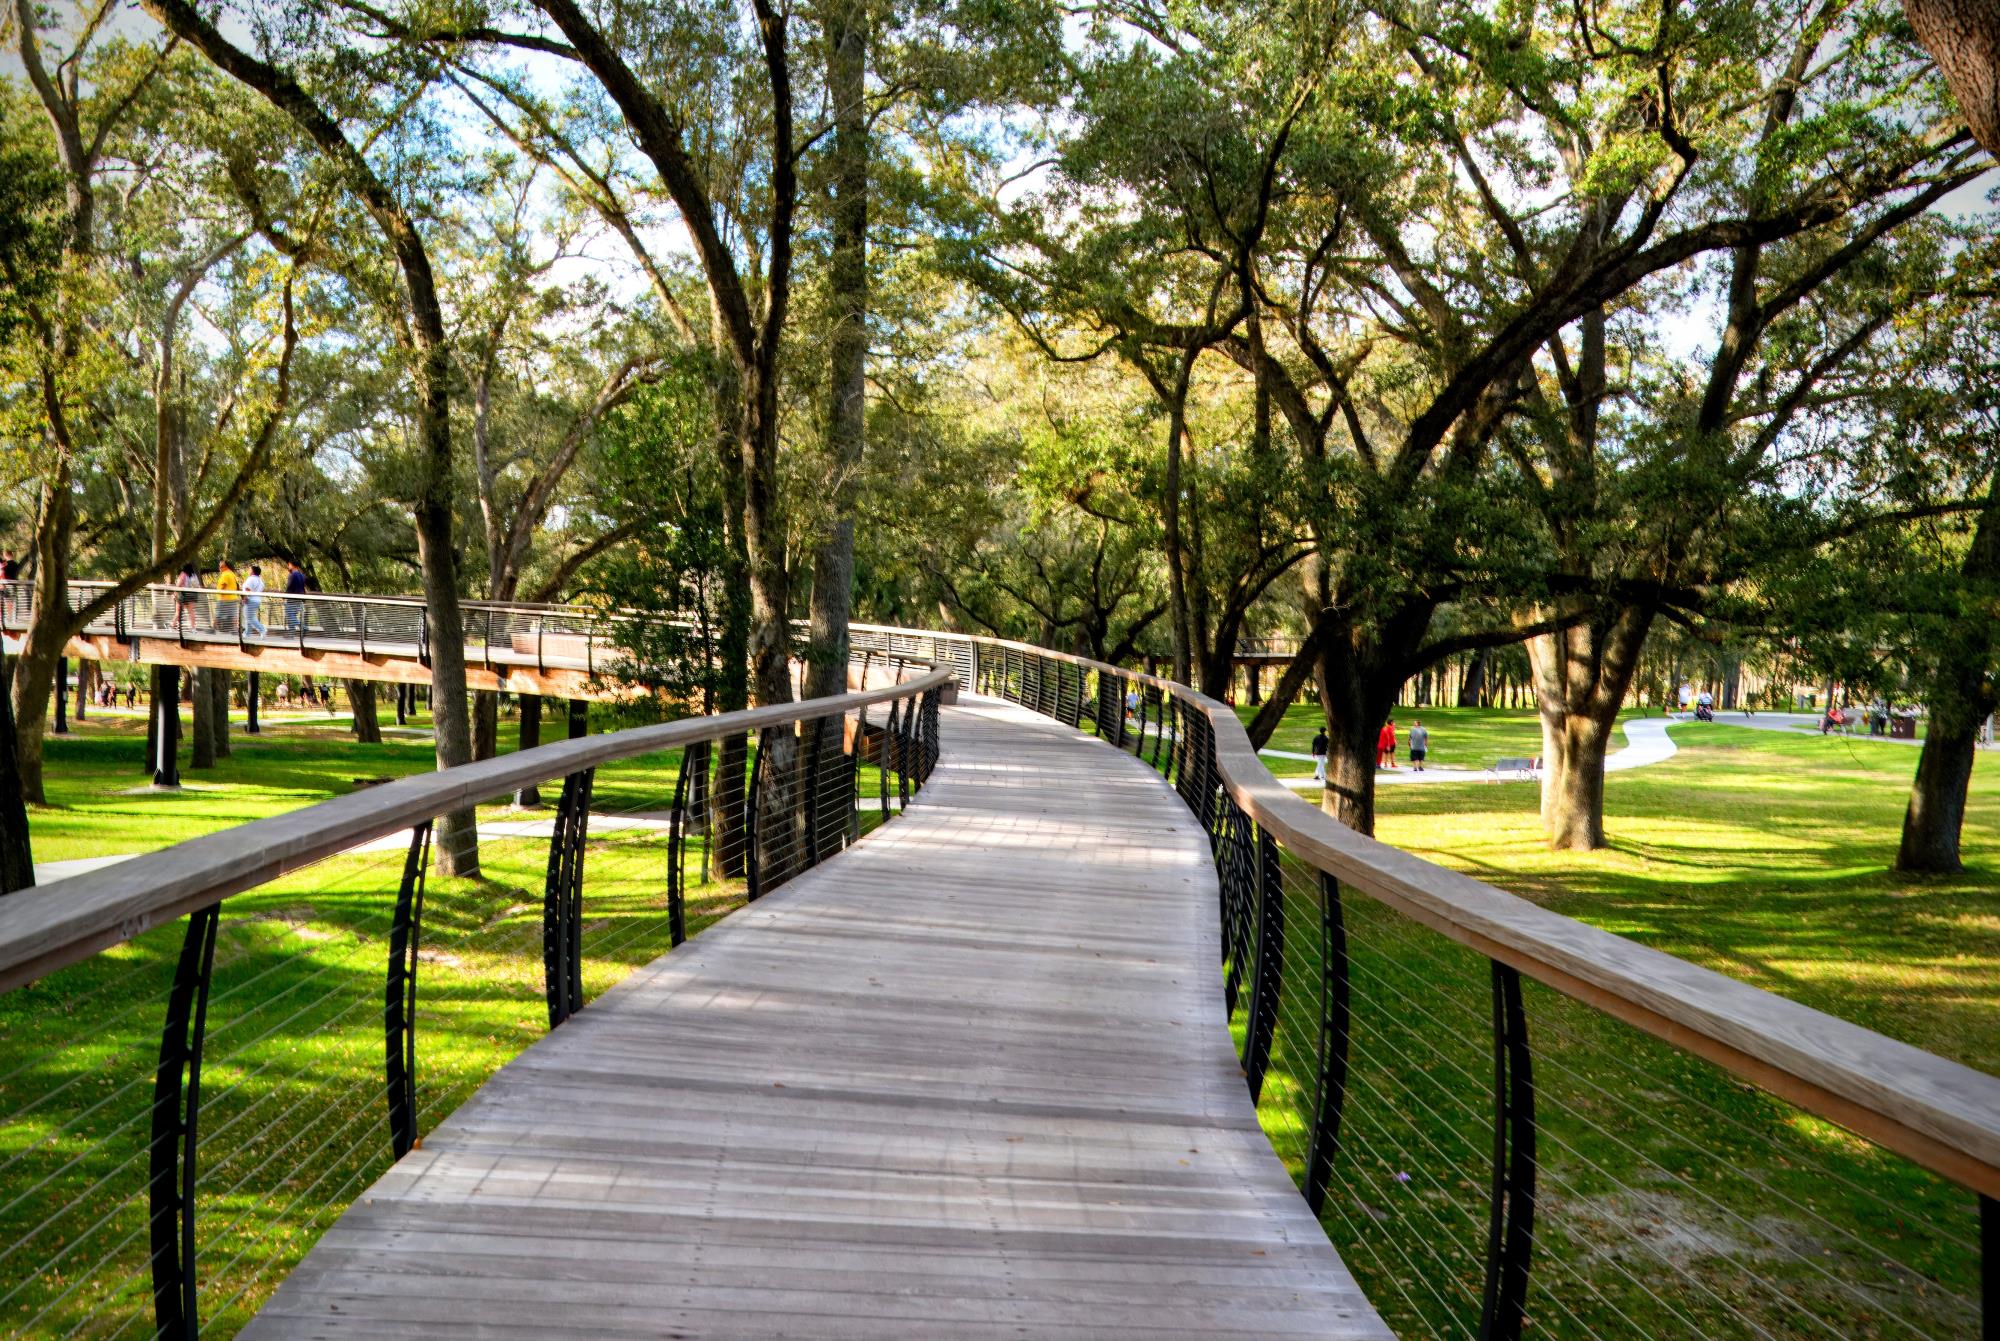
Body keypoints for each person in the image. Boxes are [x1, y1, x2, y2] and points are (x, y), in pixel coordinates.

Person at [214, 559, 240, 633]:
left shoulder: (225, 574)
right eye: (219, 566)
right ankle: (235, 629)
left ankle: (214, 628)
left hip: (224, 598)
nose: (219, 568)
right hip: (233, 597)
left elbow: (223, 585)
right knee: (233, 614)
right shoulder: (232, 573)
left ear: (226, 566)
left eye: (221, 567)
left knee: (218, 613)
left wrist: (219, 592)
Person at [173, 562, 200, 631]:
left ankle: (173, 626)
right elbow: (197, 585)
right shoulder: (194, 575)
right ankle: (193, 628)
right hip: (192, 595)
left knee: (178, 612)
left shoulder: (183, 574)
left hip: (183, 595)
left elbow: (178, 584)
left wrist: (174, 594)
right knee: (191, 612)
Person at [242, 564, 267, 637]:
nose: (249, 571)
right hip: (257, 600)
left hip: (250, 600)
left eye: (250, 570)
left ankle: (262, 629)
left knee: (249, 617)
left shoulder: (251, 579)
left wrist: (245, 598)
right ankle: (247, 633)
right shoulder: (260, 580)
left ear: (253, 571)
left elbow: (247, 588)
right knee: (250, 617)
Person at [284, 560, 309, 633]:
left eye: (289, 565)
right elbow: (302, 588)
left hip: (292, 599)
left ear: (293, 565)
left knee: (289, 615)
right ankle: (291, 635)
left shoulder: (292, 575)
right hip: (300, 599)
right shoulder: (302, 575)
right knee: (292, 616)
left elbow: (289, 587)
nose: (288, 566)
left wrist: (284, 596)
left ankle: (303, 627)